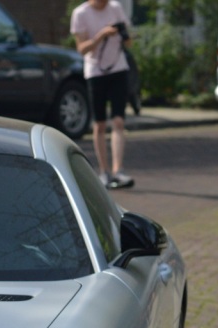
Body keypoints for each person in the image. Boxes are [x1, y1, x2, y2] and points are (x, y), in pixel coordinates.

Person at [71, 0, 135, 190]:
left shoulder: (115, 7)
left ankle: (118, 170)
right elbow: (82, 49)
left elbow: (129, 43)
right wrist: (101, 35)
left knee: (118, 121)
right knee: (99, 124)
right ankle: (104, 172)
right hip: (95, 72)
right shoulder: (80, 13)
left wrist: (124, 35)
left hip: (118, 68)